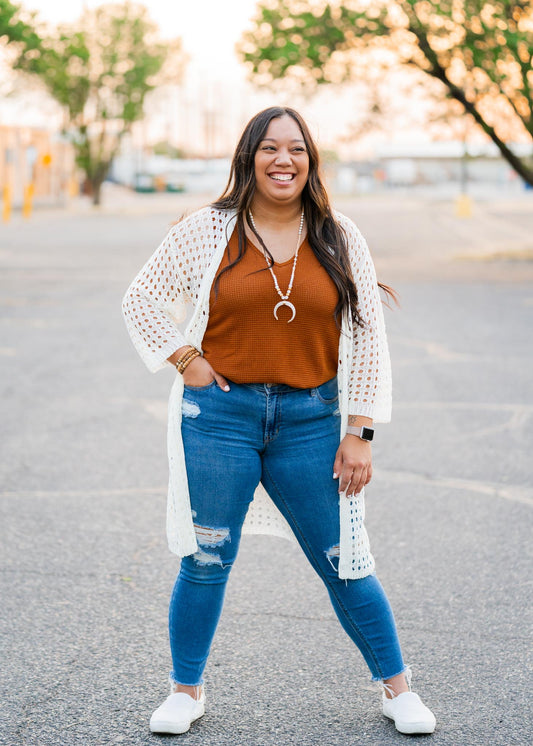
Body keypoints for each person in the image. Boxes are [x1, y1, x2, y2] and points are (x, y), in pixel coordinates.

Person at [122, 106, 436, 737]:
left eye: (295, 149)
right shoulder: (209, 230)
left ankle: (398, 689)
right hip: (219, 419)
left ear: (311, 160)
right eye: (268, 148)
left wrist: (360, 430)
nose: (282, 160)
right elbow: (142, 297)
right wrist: (187, 361)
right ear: (248, 158)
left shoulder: (339, 234)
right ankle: (186, 691)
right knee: (206, 555)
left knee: (344, 557)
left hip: (312, 421)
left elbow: (368, 337)